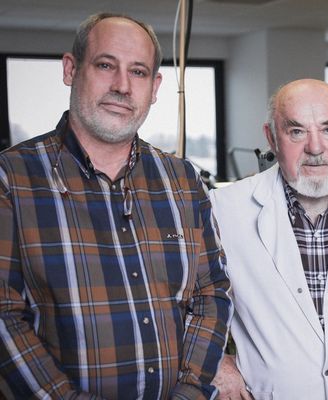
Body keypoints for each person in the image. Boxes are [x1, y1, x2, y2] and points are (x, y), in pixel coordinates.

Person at [0, 13, 231, 399]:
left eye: (138, 72)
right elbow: (4, 316)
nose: (122, 86)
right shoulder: (13, 178)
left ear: (155, 87)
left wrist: (190, 392)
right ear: (71, 69)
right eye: (106, 65)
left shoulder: (182, 180)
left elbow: (211, 294)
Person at [209, 79, 328, 399]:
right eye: (296, 131)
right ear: (271, 137)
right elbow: (177, 303)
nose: (315, 148)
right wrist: (216, 362)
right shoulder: (223, 210)